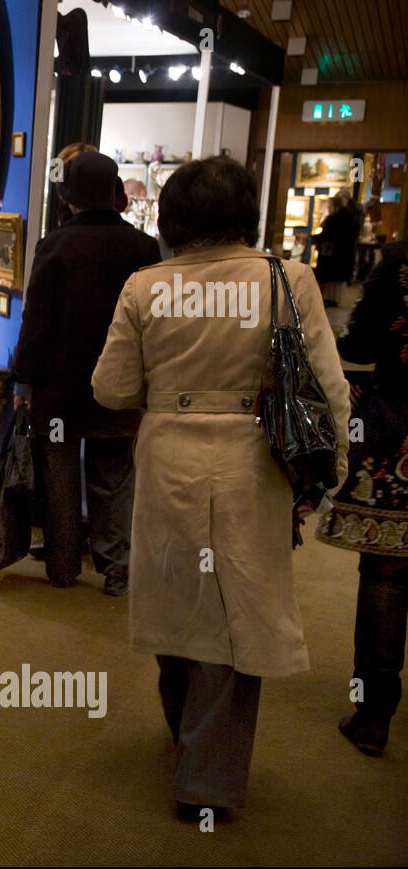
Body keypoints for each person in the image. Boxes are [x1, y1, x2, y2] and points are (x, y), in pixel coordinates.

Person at [92, 156, 351, 819]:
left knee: (177, 599)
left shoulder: (146, 286)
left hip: (169, 453)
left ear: (174, 216)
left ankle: (185, 733)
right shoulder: (285, 279)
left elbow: (112, 388)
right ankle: (206, 782)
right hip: (247, 460)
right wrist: (333, 470)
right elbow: (327, 386)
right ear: (246, 211)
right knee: (238, 614)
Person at [11, 151, 161, 595]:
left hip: (59, 387)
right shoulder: (143, 247)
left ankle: (62, 564)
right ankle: (117, 568)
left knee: (59, 476)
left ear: (70, 193)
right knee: (114, 479)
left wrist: (24, 379)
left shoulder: (55, 245)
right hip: (120, 383)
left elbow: (36, 323)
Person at [317, 240, 408, 757]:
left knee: (387, 574)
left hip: (399, 432)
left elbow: (362, 342)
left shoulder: (400, 262)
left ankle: (374, 712)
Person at [314, 189, 358, 305]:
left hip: (334, 254)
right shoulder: (345, 216)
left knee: (331, 279)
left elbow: (331, 234)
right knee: (333, 280)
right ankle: (331, 298)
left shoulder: (339, 218)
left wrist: (317, 238)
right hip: (338, 254)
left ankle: (330, 299)